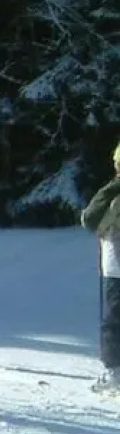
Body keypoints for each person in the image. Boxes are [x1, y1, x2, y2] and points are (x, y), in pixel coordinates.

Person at [80, 140, 120, 391]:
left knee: (113, 320)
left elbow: (90, 219)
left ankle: (114, 372)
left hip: (116, 266)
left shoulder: (114, 192)